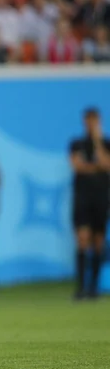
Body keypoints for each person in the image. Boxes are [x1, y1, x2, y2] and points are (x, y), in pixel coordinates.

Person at [69, 107, 110, 300]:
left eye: (95, 120)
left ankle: (94, 287)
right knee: (82, 239)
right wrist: (96, 167)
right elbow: (77, 166)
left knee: (98, 242)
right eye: (88, 120)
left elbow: (106, 164)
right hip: (82, 198)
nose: (91, 124)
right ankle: (81, 287)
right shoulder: (77, 144)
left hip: (101, 198)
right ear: (84, 121)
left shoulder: (105, 143)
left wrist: (97, 140)